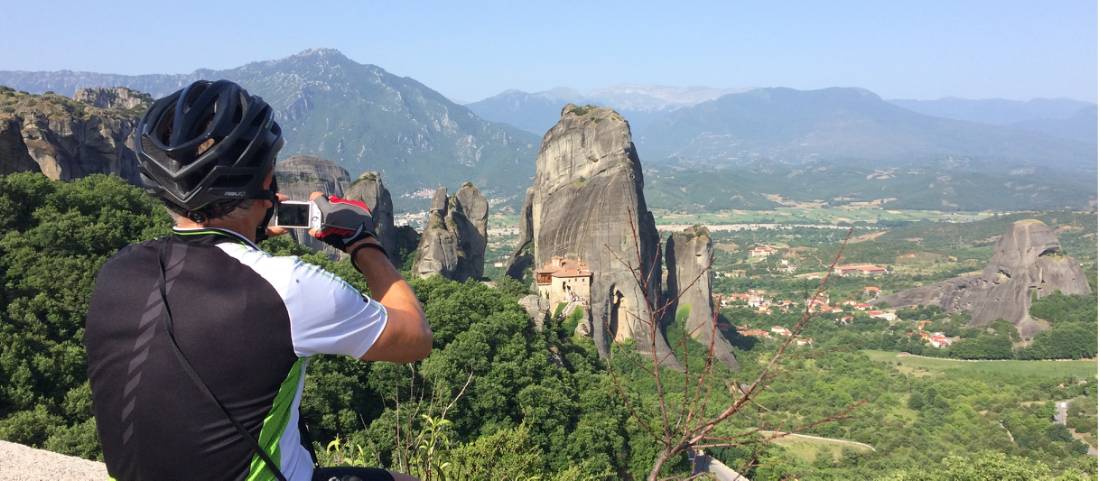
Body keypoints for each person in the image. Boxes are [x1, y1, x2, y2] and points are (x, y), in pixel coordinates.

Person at [84, 80, 432, 481]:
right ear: (266, 180)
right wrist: (364, 243)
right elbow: (415, 336)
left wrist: (251, 229)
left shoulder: (118, 272)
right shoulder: (288, 288)